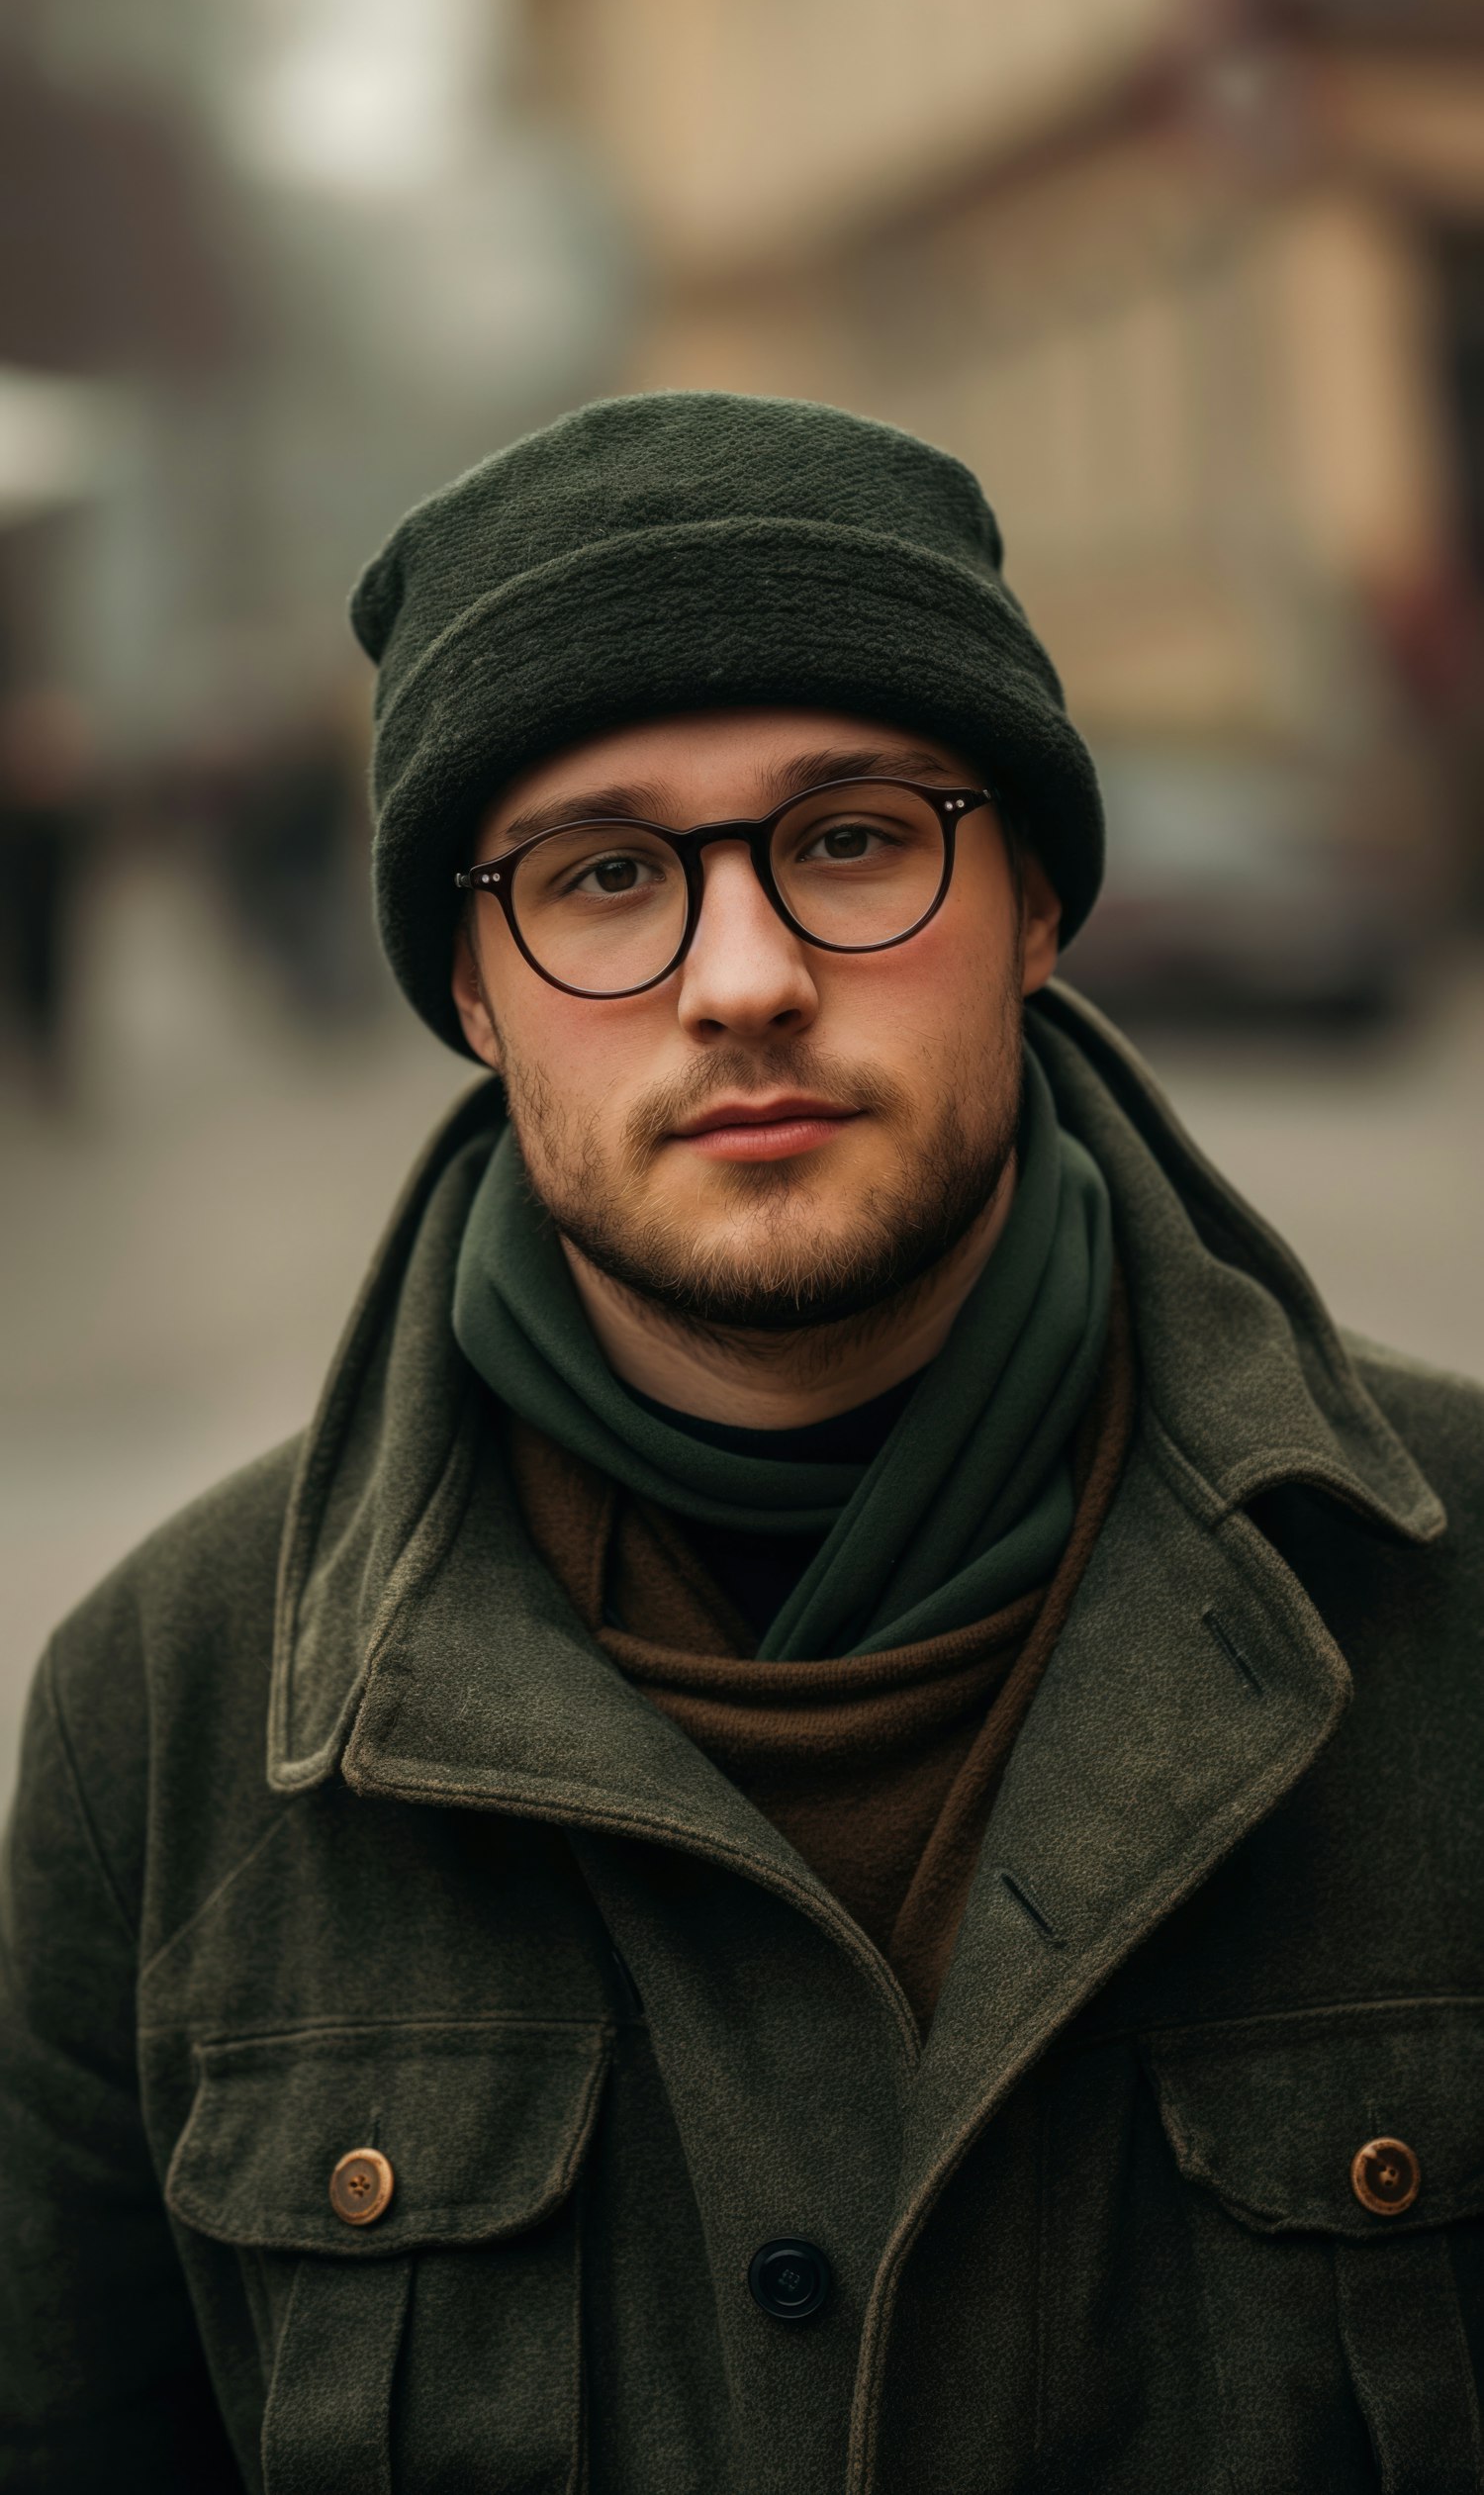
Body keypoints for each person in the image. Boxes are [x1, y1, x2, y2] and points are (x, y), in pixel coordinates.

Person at [2, 393, 1481, 2495]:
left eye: (854, 839)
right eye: (604, 877)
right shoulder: (162, 1732)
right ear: (471, 985)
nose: (747, 977)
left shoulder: (1455, 1612)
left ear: (1038, 906)